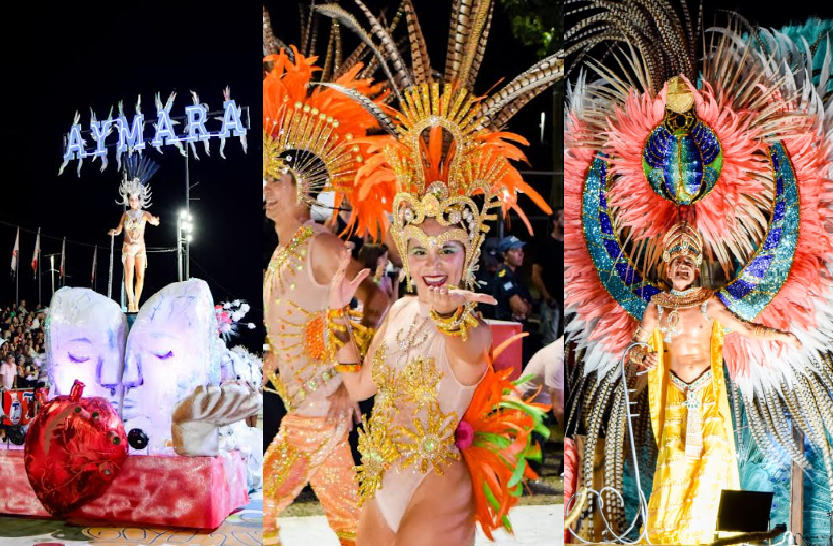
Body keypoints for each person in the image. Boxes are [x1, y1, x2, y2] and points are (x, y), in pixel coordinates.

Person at [261, 47, 388, 546]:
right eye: (264, 181)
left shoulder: (320, 243)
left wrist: (348, 383)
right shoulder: (280, 253)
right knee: (271, 508)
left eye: (277, 181)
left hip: (320, 413)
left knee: (338, 521)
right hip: (300, 412)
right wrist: (275, 353)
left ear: (302, 186)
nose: (267, 191)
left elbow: (373, 304)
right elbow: (304, 316)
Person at [628, 223, 800, 543]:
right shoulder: (657, 306)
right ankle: (669, 536)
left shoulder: (709, 303)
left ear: (697, 271)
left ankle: (712, 536)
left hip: (708, 397)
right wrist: (642, 357)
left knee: (714, 465)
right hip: (675, 398)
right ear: (667, 267)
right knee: (674, 464)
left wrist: (781, 336)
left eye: (690, 263)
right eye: (677, 261)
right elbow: (635, 346)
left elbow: (747, 329)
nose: (683, 266)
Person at [109, 155, 160, 312]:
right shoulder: (126, 214)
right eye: (131, 199)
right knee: (129, 275)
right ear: (129, 200)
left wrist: (155, 221)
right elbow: (119, 229)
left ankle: (137, 302)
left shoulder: (144, 213)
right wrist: (114, 232)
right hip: (128, 247)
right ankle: (130, 302)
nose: (133, 202)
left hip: (140, 248)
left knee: (140, 276)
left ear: (139, 200)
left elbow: (153, 220)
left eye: (135, 199)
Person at [532, 210, 562, 346]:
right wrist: (547, 297)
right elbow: (535, 275)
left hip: (568, 302)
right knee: (550, 343)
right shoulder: (544, 245)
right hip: (551, 302)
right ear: (555, 221)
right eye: (563, 218)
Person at [493, 236, 533, 323]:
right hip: (505, 325)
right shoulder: (504, 274)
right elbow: (519, 307)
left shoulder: (516, 275)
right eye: (515, 250)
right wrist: (524, 305)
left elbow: (528, 308)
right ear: (505, 255)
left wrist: (525, 306)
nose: (521, 254)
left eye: (521, 250)